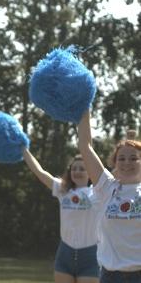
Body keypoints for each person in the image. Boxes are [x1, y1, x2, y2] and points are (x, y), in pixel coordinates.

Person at [78, 111, 141, 282]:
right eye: (121, 158)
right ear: (114, 163)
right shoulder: (106, 187)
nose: (127, 162)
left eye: (133, 158)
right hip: (110, 276)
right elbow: (85, 146)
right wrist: (84, 105)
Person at [23, 148, 99, 283]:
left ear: (90, 172)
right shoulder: (63, 190)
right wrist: (24, 149)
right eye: (74, 168)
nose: (77, 172)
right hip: (65, 253)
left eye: (82, 169)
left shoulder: (98, 193)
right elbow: (39, 171)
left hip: (90, 255)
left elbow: (119, 176)